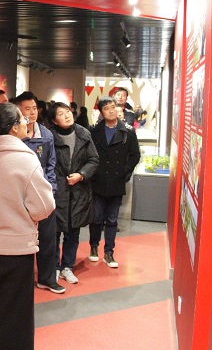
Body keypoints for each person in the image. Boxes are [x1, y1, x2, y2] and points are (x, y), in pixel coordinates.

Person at [0, 102, 56, 350]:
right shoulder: (24, 159)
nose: (28, 120)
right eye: (23, 117)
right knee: (15, 319)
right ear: (14, 127)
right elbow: (44, 206)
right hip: (15, 250)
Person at [15, 91, 64, 294]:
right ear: (18, 111)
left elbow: (51, 166)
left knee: (48, 237)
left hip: (43, 193)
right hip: (19, 195)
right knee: (22, 240)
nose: (32, 112)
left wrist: (51, 190)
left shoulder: (46, 134)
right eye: (27, 109)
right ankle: (21, 281)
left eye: (34, 108)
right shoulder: (14, 135)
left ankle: (47, 278)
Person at [48, 103, 99, 284]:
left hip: (78, 190)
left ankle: (67, 267)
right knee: (54, 232)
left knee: (73, 232)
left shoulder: (83, 133)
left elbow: (93, 159)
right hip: (56, 190)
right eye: (61, 114)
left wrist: (81, 174)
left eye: (68, 112)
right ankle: (54, 267)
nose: (67, 115)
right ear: (54, 120)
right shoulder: (49, 136)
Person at [88, 96, 140, 268]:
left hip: (116, 181)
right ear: (101, 112)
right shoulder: (94, 131)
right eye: (106, 108)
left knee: (112, 219)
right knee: (96, 217)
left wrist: (125, 172)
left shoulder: (127, 131)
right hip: (97, 180)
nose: (111, 111)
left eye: (113, 107)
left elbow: (135, 155)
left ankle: (109, 252)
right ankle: (94, 246)